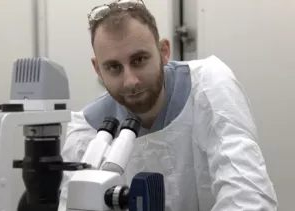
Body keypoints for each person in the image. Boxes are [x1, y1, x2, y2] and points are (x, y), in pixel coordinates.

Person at [58, 0, 278, 210]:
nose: (131, 81)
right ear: (98, 69)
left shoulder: (208, 87)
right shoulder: (86, 131)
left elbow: (248, 194)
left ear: (163, 51)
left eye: (139, 60)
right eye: (114, 67)